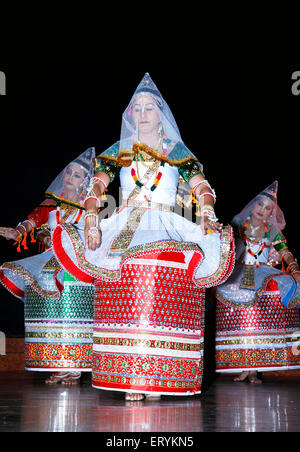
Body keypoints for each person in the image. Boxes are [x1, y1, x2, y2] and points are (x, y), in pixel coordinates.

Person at [53, 73, 235, 399]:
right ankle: (129, 376)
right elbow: (97, 186)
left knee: (164, 286)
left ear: (161, 113)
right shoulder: (119, 150)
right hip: (125, 224)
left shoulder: (176, 150)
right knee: (127, 289)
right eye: (136, 108)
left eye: (148, 107)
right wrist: (92, 220)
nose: (142, 114)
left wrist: (206, 211)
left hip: (166, 223)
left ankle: (161, 374)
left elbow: (200, 186)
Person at [0, 148, 96, 385]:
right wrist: (19, 231)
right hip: (52, 261)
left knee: (74, 314)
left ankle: (75, 367)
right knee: (54, 314)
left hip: (79, 262)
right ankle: (60, 364)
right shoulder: (51, 202)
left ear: (85, 181)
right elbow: (34, 222)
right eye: (68, 173)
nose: (70, 178)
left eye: (76, 175)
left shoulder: (91, 205)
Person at [215, 181, 300, 384]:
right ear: (253, 205)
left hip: (261, 274)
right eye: (260, 204)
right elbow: (228, 250)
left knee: (257, 320)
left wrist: (294, 268)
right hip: (240, 273)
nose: (263, 210)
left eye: (268, 207)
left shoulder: (271, 231)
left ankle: (254, 368)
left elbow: (284, 252)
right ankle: (245, 365)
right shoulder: (238, 225)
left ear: (272, 212)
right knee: (242, 321)